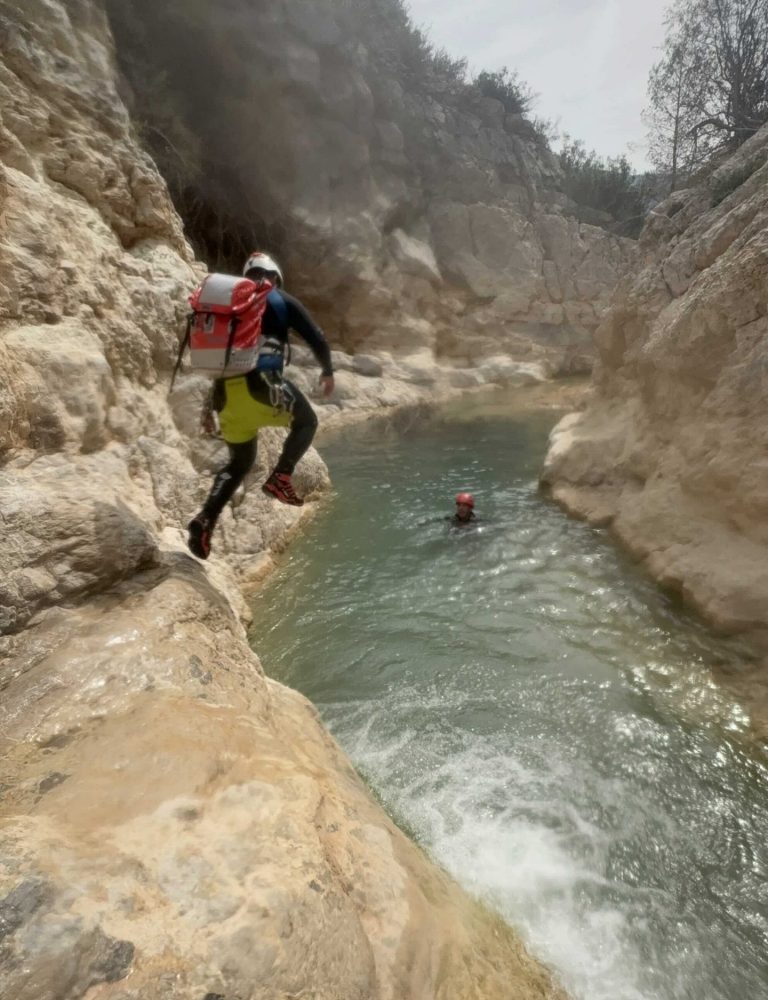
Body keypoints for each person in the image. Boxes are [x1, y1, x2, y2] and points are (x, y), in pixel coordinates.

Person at [187, 251, 335, 560]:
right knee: (307, 422)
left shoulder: (231, 307)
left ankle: (205, 520)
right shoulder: (278, 298)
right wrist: (327, 370)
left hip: (226, 399)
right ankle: (281, 477)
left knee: (239, 463)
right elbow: (317, 337)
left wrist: (208, 408)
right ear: (275, 276)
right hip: (263, 387)